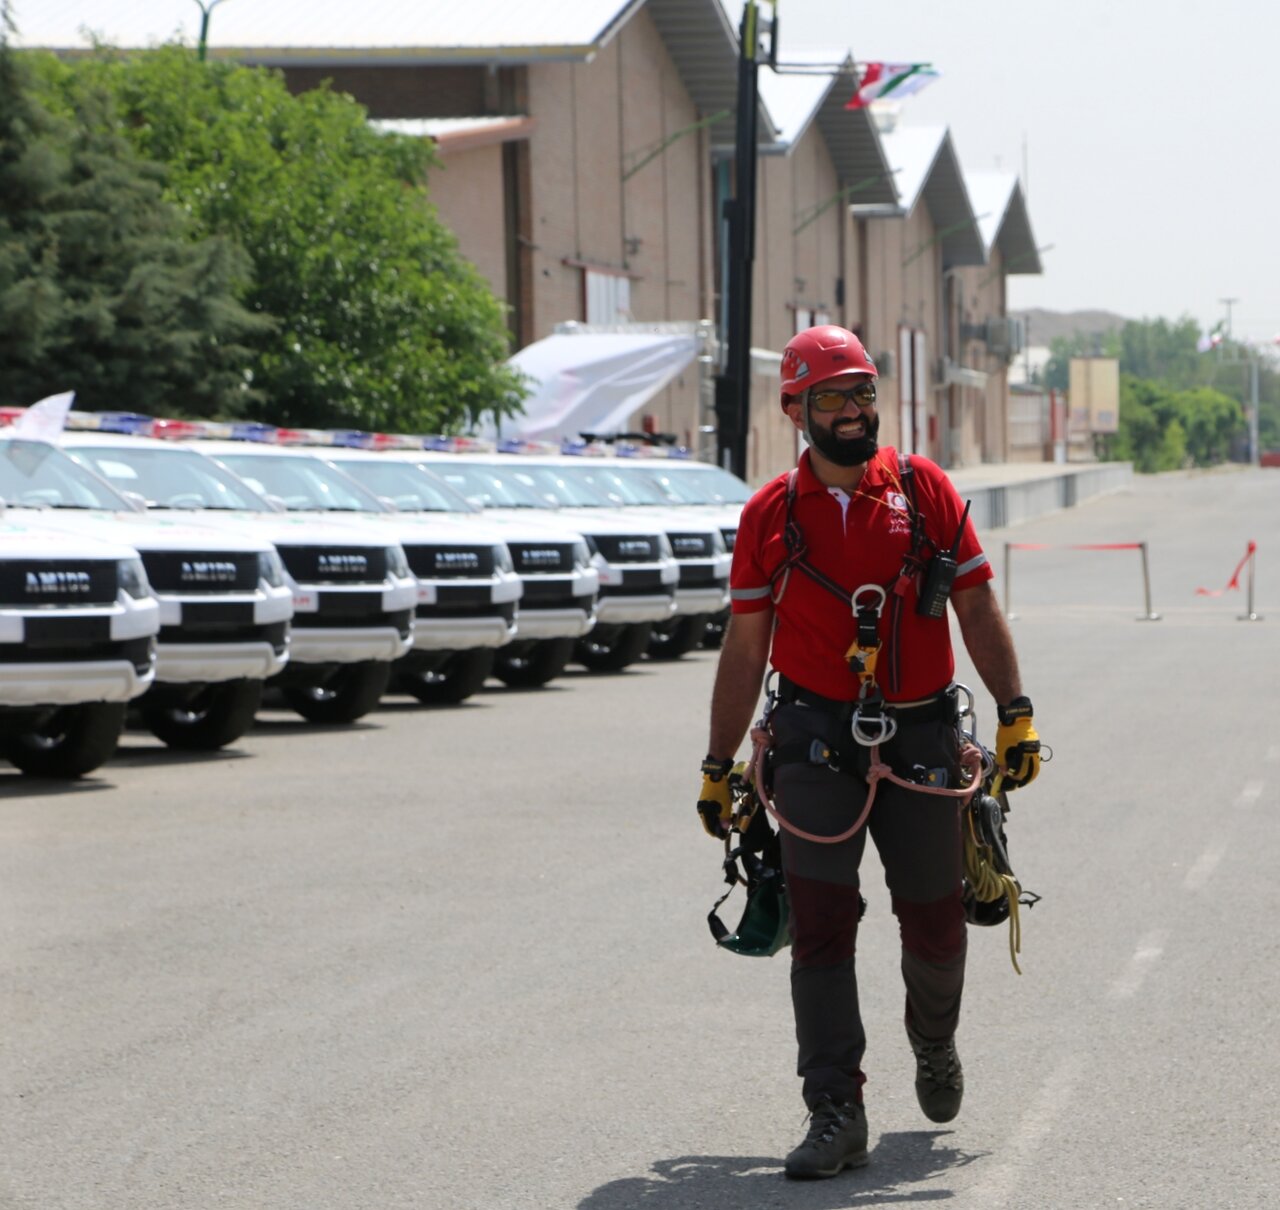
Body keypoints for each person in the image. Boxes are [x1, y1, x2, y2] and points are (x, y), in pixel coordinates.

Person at [696, 324, 1042, 1180]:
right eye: (831, 397)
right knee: (821, 927)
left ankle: (933, 1042)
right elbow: (745, 649)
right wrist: (716, 763)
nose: (853, 411)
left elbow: (977, 607)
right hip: (814, 743)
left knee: (933, 919)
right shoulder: (770, 515)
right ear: (796, 410)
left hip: (922, 736)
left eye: (862, 393)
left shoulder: (924, 492)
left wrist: (1015, 713)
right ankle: (835, 1111)